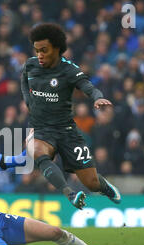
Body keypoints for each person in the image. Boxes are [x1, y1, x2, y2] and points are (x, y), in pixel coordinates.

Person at [20, 23, 121, 209]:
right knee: (36, 151)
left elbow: (89, 87)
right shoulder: (30, 65)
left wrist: (98, 98)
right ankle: (70, 194)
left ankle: (105, 187)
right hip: (42, 129)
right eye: (36, 50)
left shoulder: (69, 70)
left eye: (44, 50)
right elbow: (24, 82)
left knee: (91, 182)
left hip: (67, 132)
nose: (39, 55)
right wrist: (28, 102)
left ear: (57, 49)